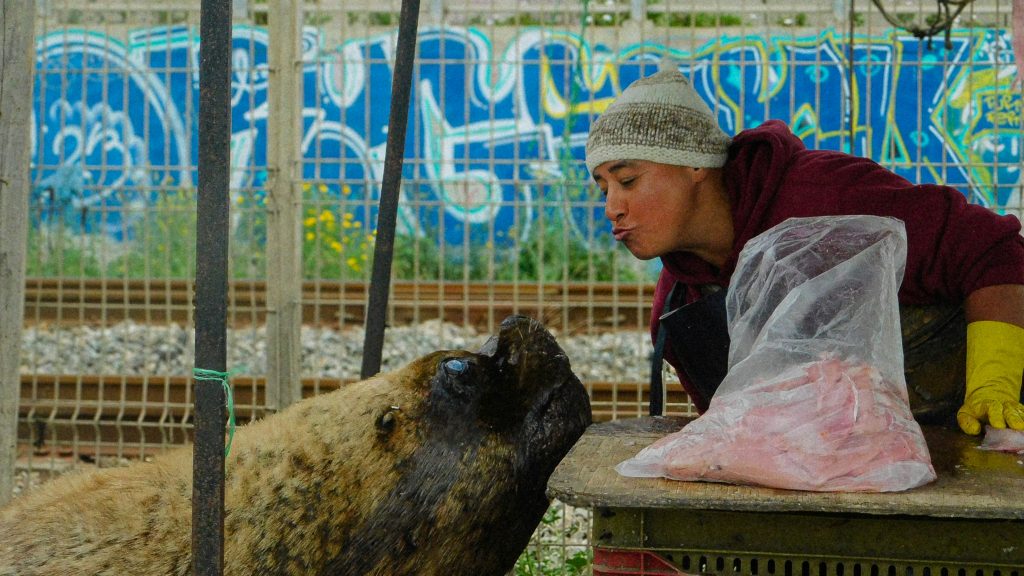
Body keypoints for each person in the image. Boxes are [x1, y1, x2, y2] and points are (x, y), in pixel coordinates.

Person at [585, 68, 1024, 435]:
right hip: (862, 469)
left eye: (627, 181)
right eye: (603, 188)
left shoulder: (825, 196)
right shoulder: (677, 309)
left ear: (695, 165)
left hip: (992, 428)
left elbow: (995, 249)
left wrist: (993, 386)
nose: (612, 209)